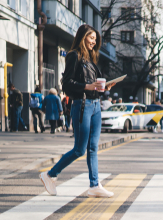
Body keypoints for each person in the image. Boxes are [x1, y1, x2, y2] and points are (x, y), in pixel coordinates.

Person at [39, 24, 116, 198]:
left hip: (95, 105)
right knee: (79, 150)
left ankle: (94, 185)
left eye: (96, 39)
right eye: (91, 38)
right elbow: (66, 84)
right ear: (83, 37)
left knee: (93, 148)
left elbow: (93, 85)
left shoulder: (90, 59)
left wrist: (105, 86)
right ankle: (50, 174)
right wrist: (87, 86)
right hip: (82, 106)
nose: (94, 42)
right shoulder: (74, 56)